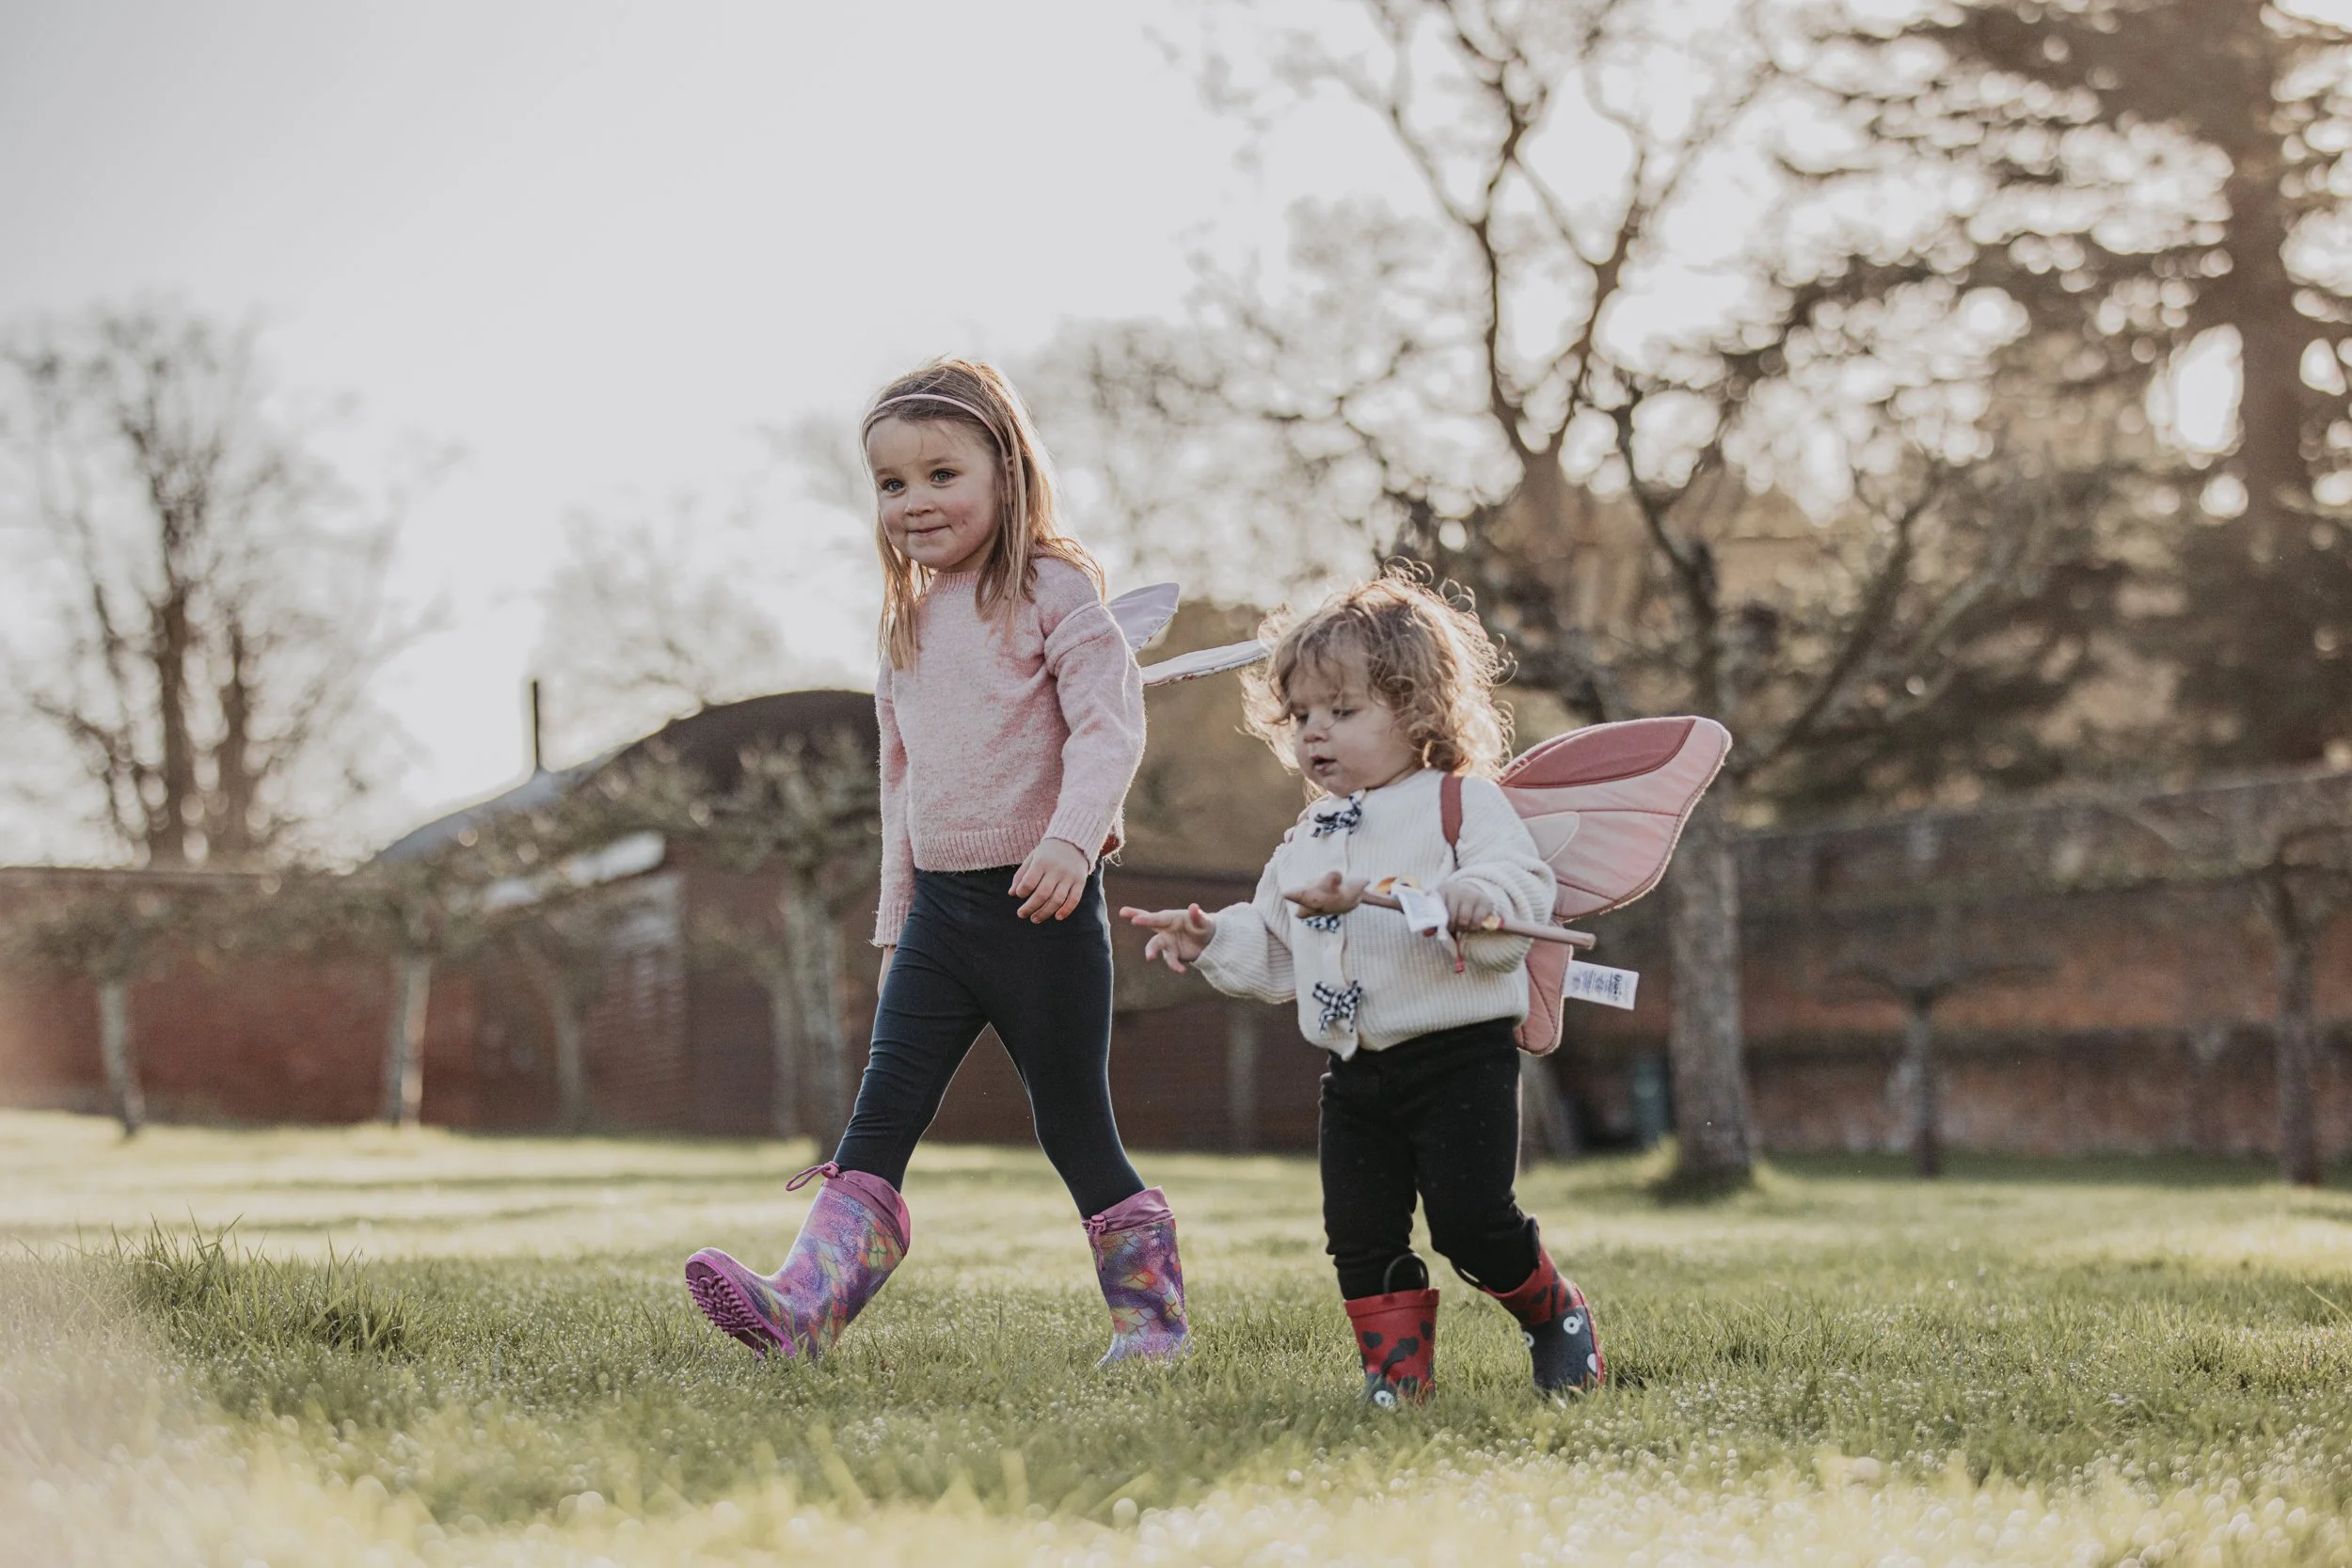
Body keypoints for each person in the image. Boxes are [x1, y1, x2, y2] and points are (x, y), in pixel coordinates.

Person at [685, 358, 1189, 1369]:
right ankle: (802, 1308)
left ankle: (1150, 1321)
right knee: (880, 1113)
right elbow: (899, 787)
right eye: (891, 484)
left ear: (1005, 470)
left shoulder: (1051, 587)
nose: (915, 501)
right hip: (936, 921)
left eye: (940, 473)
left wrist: (1071, 836)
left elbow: (1107, 726)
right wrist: (891, 923)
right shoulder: (907, 621)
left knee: (1074, 1126)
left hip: (1039, 908)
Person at [1121, 572, 1602, 1403]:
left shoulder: (1461, 805)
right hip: (1356, 1073)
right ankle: (1396, 1378)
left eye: (1342, 713)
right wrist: (1209, 938)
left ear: (1418, 712)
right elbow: (1278, 946)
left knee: (1472, 1225)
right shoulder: (1309, 834)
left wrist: (1478, 899)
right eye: (1302, 715)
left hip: (1460, 1059)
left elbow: (1522, 892)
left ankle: (1555, 1317)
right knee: (1358, 1233)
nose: (1316, 733)